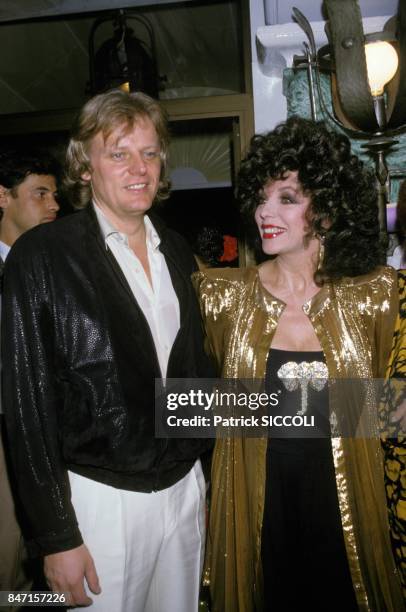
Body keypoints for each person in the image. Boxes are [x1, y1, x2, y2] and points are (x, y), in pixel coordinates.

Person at [2, 90, 213, 612]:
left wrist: (348, 408)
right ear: (85, 165)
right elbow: (27, 409)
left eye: (150, 152)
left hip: (183, 490)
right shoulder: (43, 255)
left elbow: (189, 380)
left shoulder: (177, 249)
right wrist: (55, 535)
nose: (138, 168)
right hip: (99, 502)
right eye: (118, 153)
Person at [193, 117, 405, 611]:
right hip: (256, 508)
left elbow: (395, 414)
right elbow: (197, 410)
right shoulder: (219, 296)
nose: (265, 212)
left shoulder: (377, 296)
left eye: (287, 198)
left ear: (327, 211)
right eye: (261, 198)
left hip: (350, 502)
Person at [0, 150, 59, 603]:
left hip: (54, 434)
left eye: (54, 195)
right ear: (3, 197)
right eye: (40, 194)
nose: (53, 205)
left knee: (51, 563)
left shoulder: (56, 272)